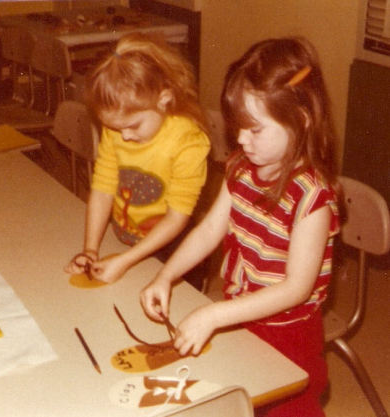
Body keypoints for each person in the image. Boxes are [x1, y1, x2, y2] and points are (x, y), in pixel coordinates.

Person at [140, 37, 341, 417]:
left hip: (289, 333)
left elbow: (297, 288)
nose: (240, 140)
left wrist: (213, 316)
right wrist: (166, 276)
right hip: (241, 313)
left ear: (301, 118)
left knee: (285, 407)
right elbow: (209, 230)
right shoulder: (241, 168)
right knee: (238, 400)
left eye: (255, 130)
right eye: (238, 128)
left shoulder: (312, 199)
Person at [65, 32, 210, 288]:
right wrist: (90, 250)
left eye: (133, 126)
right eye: (115, 128)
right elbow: (102, 188)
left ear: (164, 99)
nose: (125, 136)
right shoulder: (118, 129)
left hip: (174, 249)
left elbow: (176, 219)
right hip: (126, 241)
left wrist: (125, 261)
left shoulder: (189, 142)